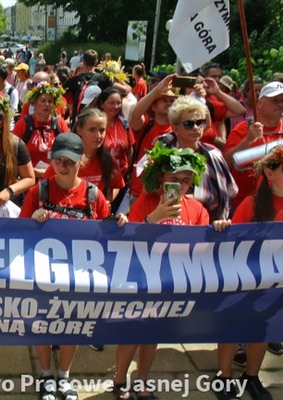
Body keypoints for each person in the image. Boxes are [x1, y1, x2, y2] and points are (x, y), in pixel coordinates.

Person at [20, 132, 127, 400]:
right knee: (42, 323)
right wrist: (33, 218)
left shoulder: (93, 195)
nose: (63, 166)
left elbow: (107, 232)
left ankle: (65, 377)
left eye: (69, 160)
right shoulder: (39, 190)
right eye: (58, 160)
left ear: (82, 161)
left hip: (79, 274)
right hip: (43, 273)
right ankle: (46, 375)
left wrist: (120, 221)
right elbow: (18, 233)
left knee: (72, 324)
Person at [114, 141, 208, 400]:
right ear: (161, 180)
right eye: (174, 179)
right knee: (132, 332)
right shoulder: (147, 201)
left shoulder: (197, 208)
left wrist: (219, 228)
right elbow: (129, 240)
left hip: (172, 282)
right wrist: (154, 217)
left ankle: (142, 379)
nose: (181, 185)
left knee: (153, 334)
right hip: (143, 279)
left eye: (186, 180)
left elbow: (203, 245)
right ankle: (120, 379)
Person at [211, 146, 283, 400]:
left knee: (264, 330)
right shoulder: (252, 204)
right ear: (270, 173)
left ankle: (251, 376)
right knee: (233, 327)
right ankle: (223, 375)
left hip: (276, 285)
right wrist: (224, 227)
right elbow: (233, 241)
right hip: (247, 279)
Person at [156, 95, 237, 222]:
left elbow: (228, 194)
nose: (196, 128)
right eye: (189, 124)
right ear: (175, 127)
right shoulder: (161, 149)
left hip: (205, 227)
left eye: (200, 122)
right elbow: (147, 190)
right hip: (164, 222)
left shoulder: (214, 155)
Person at [224, 81, 283, 208]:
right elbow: (226, 163)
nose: (280, 104)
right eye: (275, 100)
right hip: (247, 206)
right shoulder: (243, 129)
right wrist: (248, 140)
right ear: (260, 104)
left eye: (282, 100)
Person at [12, 81, 69, 179]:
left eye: (50, 101)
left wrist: (50, 171)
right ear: (34, 103)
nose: (47, 104)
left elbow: (67, 152)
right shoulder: (22, 124)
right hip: (29, 179)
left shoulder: (60, 124)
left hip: (55, 178)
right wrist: (34, 171)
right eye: (43, 100)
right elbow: (12, 156)